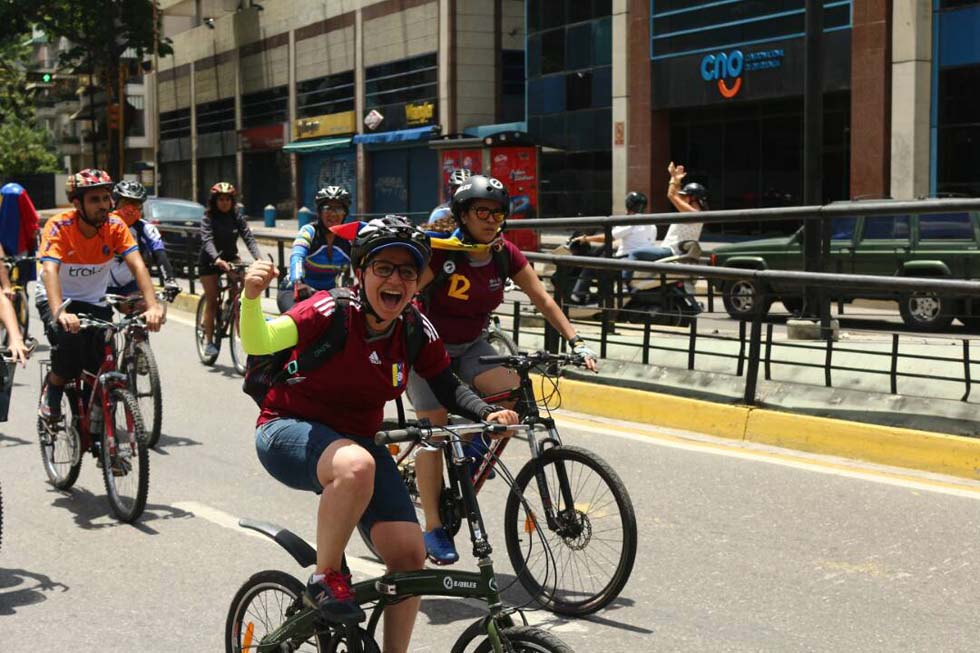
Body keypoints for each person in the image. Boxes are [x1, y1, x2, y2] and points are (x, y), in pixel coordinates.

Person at [240, 215, 517, 653]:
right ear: (361, 272)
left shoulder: (412, 329)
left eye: (408, 271)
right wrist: (251, 297)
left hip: (358, 445)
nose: (396, 280)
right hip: (285, 430)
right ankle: (323, 578)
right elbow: (260, 338)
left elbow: (446, 383)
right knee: (356, 465)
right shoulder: (328, 311)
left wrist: (488, 412)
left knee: (409, 557)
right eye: (383, 268)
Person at [406, 174, 599, 565]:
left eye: (498, 213)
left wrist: (576, 342)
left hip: (473, 346)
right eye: (483, 211)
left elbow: (543, 298)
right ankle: (432, 526)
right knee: (435, 431)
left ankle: (473, 453)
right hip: (428, 348)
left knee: (515, 396)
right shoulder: (444, 252)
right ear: (463, 214)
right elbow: (406, 295)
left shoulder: (503, 253)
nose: (492, 219)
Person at [36, 169, 164, 424]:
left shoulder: (115, 226)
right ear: (77, 203)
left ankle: (100, 431)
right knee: (70, 353)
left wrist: (152, 306)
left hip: (95, 301)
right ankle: (53, 390)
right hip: (60, 299)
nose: (104, 206)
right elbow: (50, 270)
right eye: (95, 200)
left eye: (106, 199)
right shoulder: (60, 225)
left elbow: (138, 265)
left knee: (101, 364)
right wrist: (60, 312)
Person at [198, 182, 261, 357]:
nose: (224, 203)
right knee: (212, 300)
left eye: (227, 199)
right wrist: (217, 260)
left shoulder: (236, 217)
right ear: (214, 201)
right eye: (221, 199)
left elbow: (248, 238)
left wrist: (259, 259)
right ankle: (209, 341)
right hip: (209, 262)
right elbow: (207, 240)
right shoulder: (208, 218)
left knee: (240, 293)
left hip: (231, 258)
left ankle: (233, 311)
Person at [568, 191, 657, 303]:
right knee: (603, 253)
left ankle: (577, 296)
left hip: (625, 260)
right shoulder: (651, 223)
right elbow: (638, 241)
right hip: (640, 260)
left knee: (590, 265)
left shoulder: (629, 221)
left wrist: (586, 238)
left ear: (628, 205)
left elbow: (608, 237)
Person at [277, 186, 351, 313]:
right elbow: (297, 256)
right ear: (319, 212)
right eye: (328, 208)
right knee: (300, 324)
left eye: (338, 208)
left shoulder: (348, 239)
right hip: (294, 291)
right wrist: (298, 281)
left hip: (326, 295)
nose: (333, 214)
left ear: (345, 213)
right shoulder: (309, 231)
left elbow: (362, 266)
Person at [106, 180, 181, 302]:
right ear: (115, 203)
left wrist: (170, 281)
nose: (130, 209)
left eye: (135, 204)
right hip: (100, 285)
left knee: (150, 313)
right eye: (126, 203)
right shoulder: (101, 225)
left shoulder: (146, 228)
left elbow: (160, 254)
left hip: (130, 285)